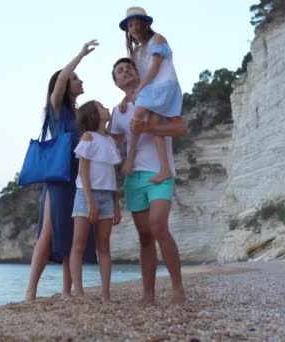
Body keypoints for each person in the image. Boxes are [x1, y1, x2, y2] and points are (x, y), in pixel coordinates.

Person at [24, 40, 99, 302]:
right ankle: (30, 292)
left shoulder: (79, 115)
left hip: (77, 177)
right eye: (75, 79)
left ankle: (67, 292)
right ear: (66, 84)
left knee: (70, 231)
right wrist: (81, 54)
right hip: (59, 177)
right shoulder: (57, 109)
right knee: (48, 232)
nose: (79, 81)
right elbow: (62, 78)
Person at [110, 57, 188, 305]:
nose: (125, 72)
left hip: (160, 174)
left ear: (137, 72)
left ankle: (178, 288)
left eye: (128, 68)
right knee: (144, 236)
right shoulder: (118, 112)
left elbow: (180, 129)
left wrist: (150, 129)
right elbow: (115, 147)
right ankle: (148, 294)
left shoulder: (156, 98)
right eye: (120, 71)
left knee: (158, 226)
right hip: (134, 178)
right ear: (116, 82)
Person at [118, 6, 183, 184]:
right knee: (152, 125)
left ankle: (131, 159)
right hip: (151, 91)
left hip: (164, 86)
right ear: (128, 32)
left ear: (146, 24)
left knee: (138, 116)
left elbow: (154, 68)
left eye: (137, 23)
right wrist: (126, 97)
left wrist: (139, 91)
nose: (134, 28)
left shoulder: (158, 39)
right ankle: (165, 169)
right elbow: (137, 78)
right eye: (130, 26)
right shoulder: (137, 53)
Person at [70, 100, 122, 304]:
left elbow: (113, 175)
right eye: (102, 107)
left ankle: (106, 295)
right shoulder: (88, 137)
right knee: (79, 246)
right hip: (85, 195)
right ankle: (80, 293)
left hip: (107, 196)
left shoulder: (110, 141)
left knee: (104, 247)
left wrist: (116, 203)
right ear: (94, 114)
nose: (107, 109)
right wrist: (91, 202)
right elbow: (83, 171)